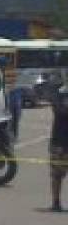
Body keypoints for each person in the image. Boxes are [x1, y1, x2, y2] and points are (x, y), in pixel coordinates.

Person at [49, 81, 68, 212]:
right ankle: (56, 202)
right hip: (59, 142)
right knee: (57, 174)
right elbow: (59, 111)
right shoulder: (59, 93)